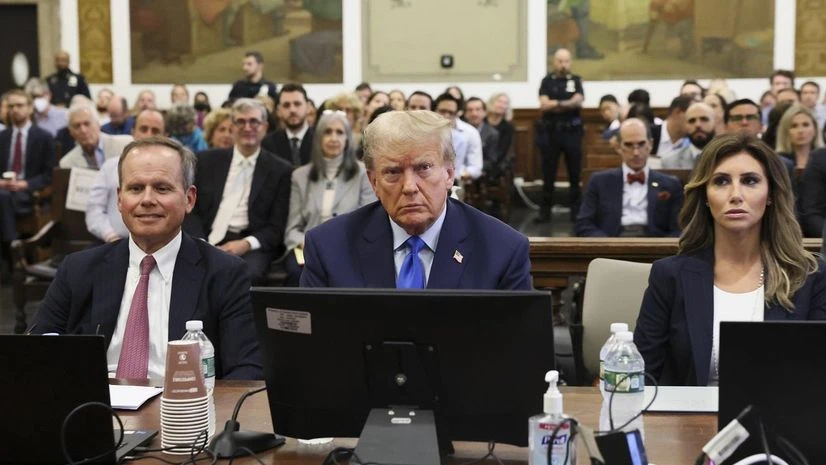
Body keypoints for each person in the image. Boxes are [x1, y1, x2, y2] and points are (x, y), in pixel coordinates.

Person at [32, 137, 262, 380]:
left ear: (189, 199)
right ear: (120, 199)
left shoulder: (225, 274)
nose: (147, 199)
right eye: (135, 188)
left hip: (183, 411)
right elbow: (35, 351)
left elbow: (246, 371)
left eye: (162, 188)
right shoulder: (78, 269)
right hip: (95, 409)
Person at [634, 134, 826, 386]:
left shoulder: (809, 275)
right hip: (687, 421)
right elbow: (642, 375)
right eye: (721, 181)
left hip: (779, 421)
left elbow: (817, 377)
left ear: (770, 194)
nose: (736, 194)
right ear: (705, 195)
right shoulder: (670, 276)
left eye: (750, 181)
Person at [299, 110, 532, 290]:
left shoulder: (502, 249)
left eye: (424, 168)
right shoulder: (329, 247)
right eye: (392, 172)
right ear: (374, 182)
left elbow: (519, 347)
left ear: (449, 174)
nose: (409, 187)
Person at [184, 98, 293, 284]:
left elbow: (276, 227)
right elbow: (191, 210)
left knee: (245, 275)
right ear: (232, 127)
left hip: (249, 244)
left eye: (254, 122)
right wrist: (200, 242)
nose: (247, 127)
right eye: (240, 122)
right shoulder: (206, 161)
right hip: (206, 237)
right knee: (187, 268)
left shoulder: (281, 170)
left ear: (265, 127)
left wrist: (245, 244)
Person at [283, 112, 376, 285]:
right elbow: (292, 229)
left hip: (348, 247)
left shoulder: (364, 174)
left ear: (347, 139)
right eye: (327, 132)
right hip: (306, 248)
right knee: (296, 274)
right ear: (318, 138)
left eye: (339, 132)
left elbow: (368, 222)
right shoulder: (299, 176)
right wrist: (307, 243)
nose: (333, 138)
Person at [575, 118, 683, 237]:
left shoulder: (671, 184)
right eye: (628, 145)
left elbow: (678, 229)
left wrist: (661, 249)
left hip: (655, 248)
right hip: (610, 245)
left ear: (650, 144)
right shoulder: (599, 182)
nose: (636, 152)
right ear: (618, 147)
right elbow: (584, 224)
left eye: (641, 144)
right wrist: (607, 246)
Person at [86, 109, 166, 243]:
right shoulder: (110, 167)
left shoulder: (174, 171)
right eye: (143, 129)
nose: (149, 135)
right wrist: (110, 236)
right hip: (113, 242)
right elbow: (94, 210)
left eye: (155, 131)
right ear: (133, 133)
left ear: (165, 136)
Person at [0, 90, 55, 245]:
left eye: (19, 105)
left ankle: (11, 248)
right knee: (3, 196)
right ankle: (13, 245)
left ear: (30, 108)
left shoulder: (44, 137)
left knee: (2, 197)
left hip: (28, 193)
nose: (14, 110)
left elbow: (49, 174)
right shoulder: (3, 137)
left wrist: (25, 184)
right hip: (4, 190)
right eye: (11, 106)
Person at [536, 48, 584, 223]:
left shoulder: (576, 80)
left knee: (574, 174)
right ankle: (545, 212)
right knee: (548, 174)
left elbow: (578, 100)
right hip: (551, 133)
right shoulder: (547, 81)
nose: (563, 65)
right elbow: (544, 104)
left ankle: (576, 213)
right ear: (554, 62)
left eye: (566, 61)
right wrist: (566, 103)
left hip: (572, 132)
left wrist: (555, 103)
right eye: (560, 61)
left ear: (570, 62)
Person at [60, 102, 133, 169]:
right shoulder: (67, 163)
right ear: (70, 132)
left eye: (87, 124)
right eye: (77, 126)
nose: (83, 130)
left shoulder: (124, 144)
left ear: (98, 124)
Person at [261, 83, 313, 166]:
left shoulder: (320, 139)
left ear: (308, 107)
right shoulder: (268, 144)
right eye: (286, 105)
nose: (292, 110)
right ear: (278, 111)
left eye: (297, 104)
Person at [661, 102, 716, 169]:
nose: (697, 125)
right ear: (685, 125)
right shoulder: (669, 161)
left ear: (715, 122)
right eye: (692, 121)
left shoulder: (728, 157)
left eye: (704, 119)